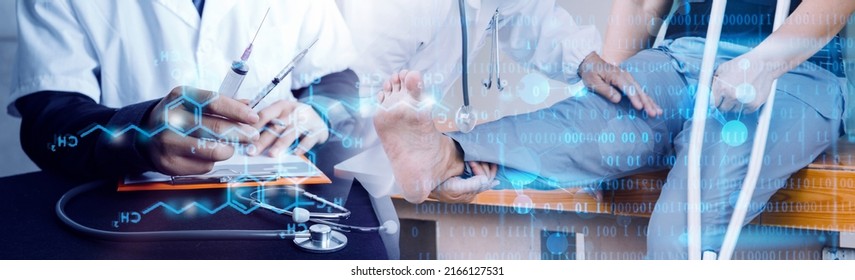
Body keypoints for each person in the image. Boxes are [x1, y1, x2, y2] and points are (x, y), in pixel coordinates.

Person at [370, 0, 852, 259]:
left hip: (793, 73)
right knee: (588, 125)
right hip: (680, 56)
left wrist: (763, 64)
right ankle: (448, 154)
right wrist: (614, 97)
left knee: (679, 230)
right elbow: (643, 4)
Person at [9, 0, 361, 179]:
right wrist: (138, 131)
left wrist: (318, 110)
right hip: (124, 216)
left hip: (273, 198)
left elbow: (338, 79)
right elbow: (48, 123)